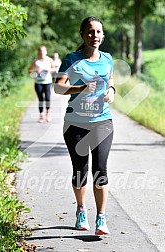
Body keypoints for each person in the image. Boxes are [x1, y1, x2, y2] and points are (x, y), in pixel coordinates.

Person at [54, 16, 115, 235]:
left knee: (101, 170)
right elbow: (58, 88)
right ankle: (81, 210)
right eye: (90, 32)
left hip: (102, 122)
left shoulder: (107, 59)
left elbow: (110, 80)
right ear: (82, 34)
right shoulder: (72, 59)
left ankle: (101, 217)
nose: (94, 36)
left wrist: (111, 91)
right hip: (75, 124)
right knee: (80, 171)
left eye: (98, 32)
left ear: (103, 35)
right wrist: (79, 88)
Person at [29, 46, 55, 123]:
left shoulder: (49, 60)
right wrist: (36, 71)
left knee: (47, 98)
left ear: (46, 52)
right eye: (40, 51)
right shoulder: (36, 61)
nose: (42, 52)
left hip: (47, 82)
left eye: (43, 51)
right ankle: (41, 116)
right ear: (38, 52)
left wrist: (49, 70)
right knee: (40, 100)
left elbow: (54, 69)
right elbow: (30, 70)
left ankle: (48, 114)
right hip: (38, 83)